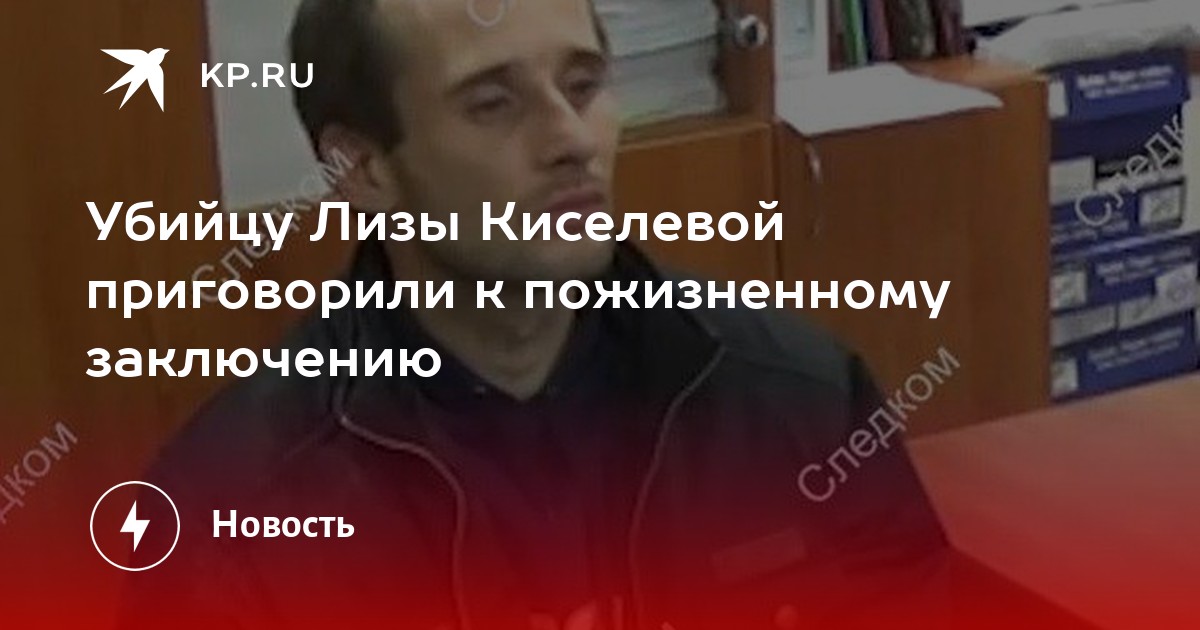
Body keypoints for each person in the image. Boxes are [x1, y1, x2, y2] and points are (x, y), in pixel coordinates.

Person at [121, 0, 949, 628]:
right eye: (493, 104)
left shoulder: (802, 397)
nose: (572, 140)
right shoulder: (231, 515)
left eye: (582, 87)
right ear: (364, 167)